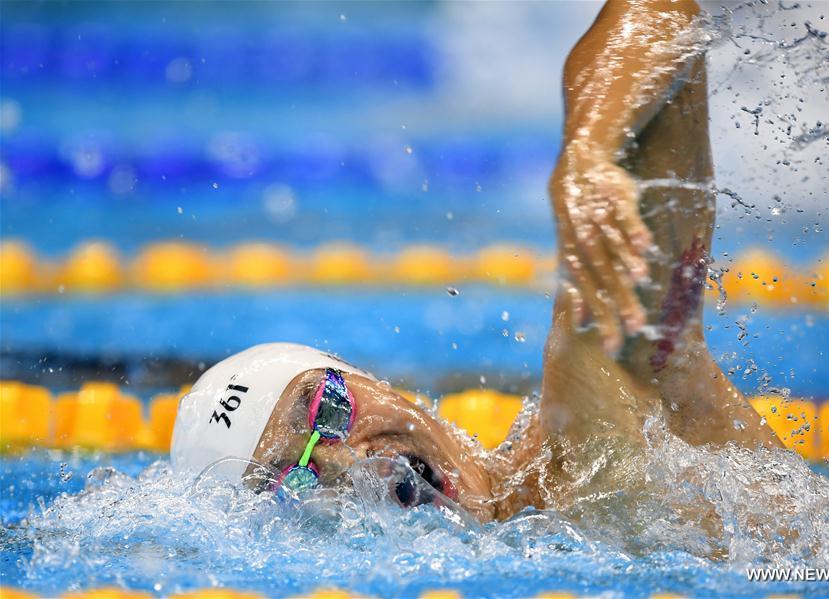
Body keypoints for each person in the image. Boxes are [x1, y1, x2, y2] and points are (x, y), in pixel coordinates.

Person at [171, 0, 781, 527]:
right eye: (293, 481)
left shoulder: (587, 426)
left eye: (329, 409)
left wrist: (590, 149)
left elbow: (663, 11)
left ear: (367, 378)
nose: (347, 461)